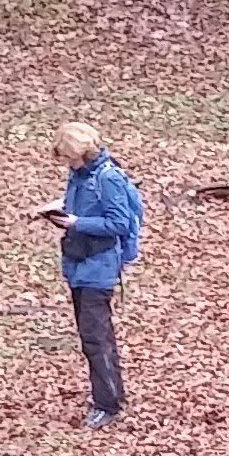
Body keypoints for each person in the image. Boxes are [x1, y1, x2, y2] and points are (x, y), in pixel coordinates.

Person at [30, 122, 143, 429]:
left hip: (99, 267)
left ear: (81, 152)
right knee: (94, 336)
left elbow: (118, 223)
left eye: (69, 158)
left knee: (95, 338)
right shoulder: (80, 176)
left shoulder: (108, 179)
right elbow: (77, 207)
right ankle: (112, 393)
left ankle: (107, 405)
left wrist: (77, 223)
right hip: (79, 264)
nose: (67, 164)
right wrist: (54, 210)